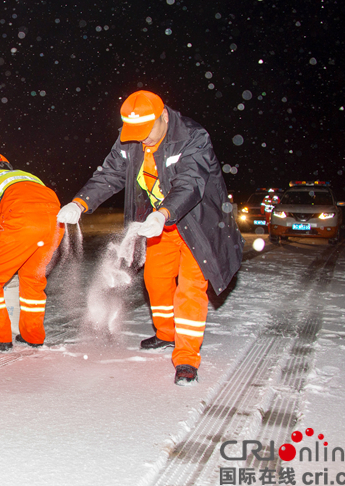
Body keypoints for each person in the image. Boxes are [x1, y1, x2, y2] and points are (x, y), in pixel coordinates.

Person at [57, 90, 243, 385]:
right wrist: (80, 202)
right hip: (158, 227)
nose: (142, 140)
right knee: (155, 279)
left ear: (163, 117)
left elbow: (191, 183)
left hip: (197, 225)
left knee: (190, 291)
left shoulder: (193, 137)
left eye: (146, 132)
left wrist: (164, 213)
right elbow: (110, 174)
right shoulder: (131, 139)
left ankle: (186, 358)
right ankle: (166, 334)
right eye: (136, 133)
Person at [0, 154, 64, 351]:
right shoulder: (28, 176)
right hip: (55, 222)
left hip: (22, 221)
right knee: (33, 279)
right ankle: (33, 335)